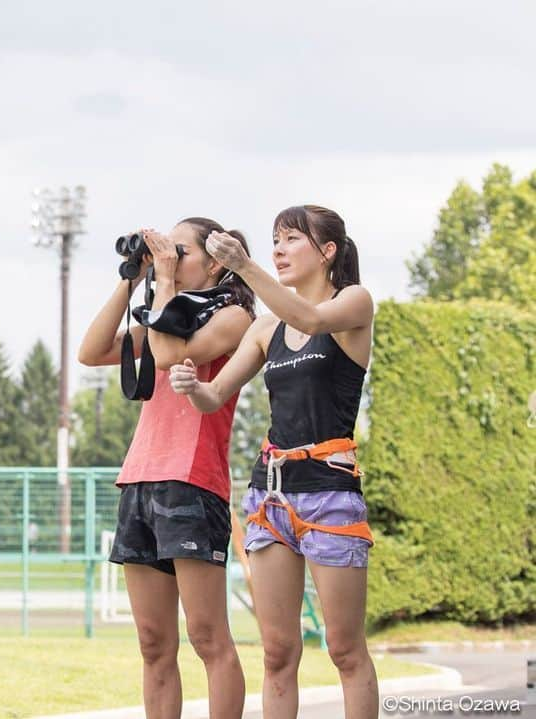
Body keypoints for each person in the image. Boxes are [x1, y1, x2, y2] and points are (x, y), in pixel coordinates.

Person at [170, 205, 378, 719]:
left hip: (330, 494)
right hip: (271, 497)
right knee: (278, 652)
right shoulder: (265, 329)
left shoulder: (353, 302)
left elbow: (308, 317)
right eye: (274, 241)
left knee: (344, 649)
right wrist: (191, 385)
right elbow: (215, 395)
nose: (278, 250)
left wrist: (243, 266)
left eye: (291, 240)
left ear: (328, 251)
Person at [79, 217, 256, 719]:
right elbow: (91, 352)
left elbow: (171, 355)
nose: (169, 257)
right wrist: (130, 280)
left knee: (207, 637)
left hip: (193, 481)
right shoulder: (162, 313)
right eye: (165, 250)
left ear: (217, 261)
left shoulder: (235, 317)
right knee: (154, 644)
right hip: (139, 479)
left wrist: (165, 284)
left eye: (180, 251)